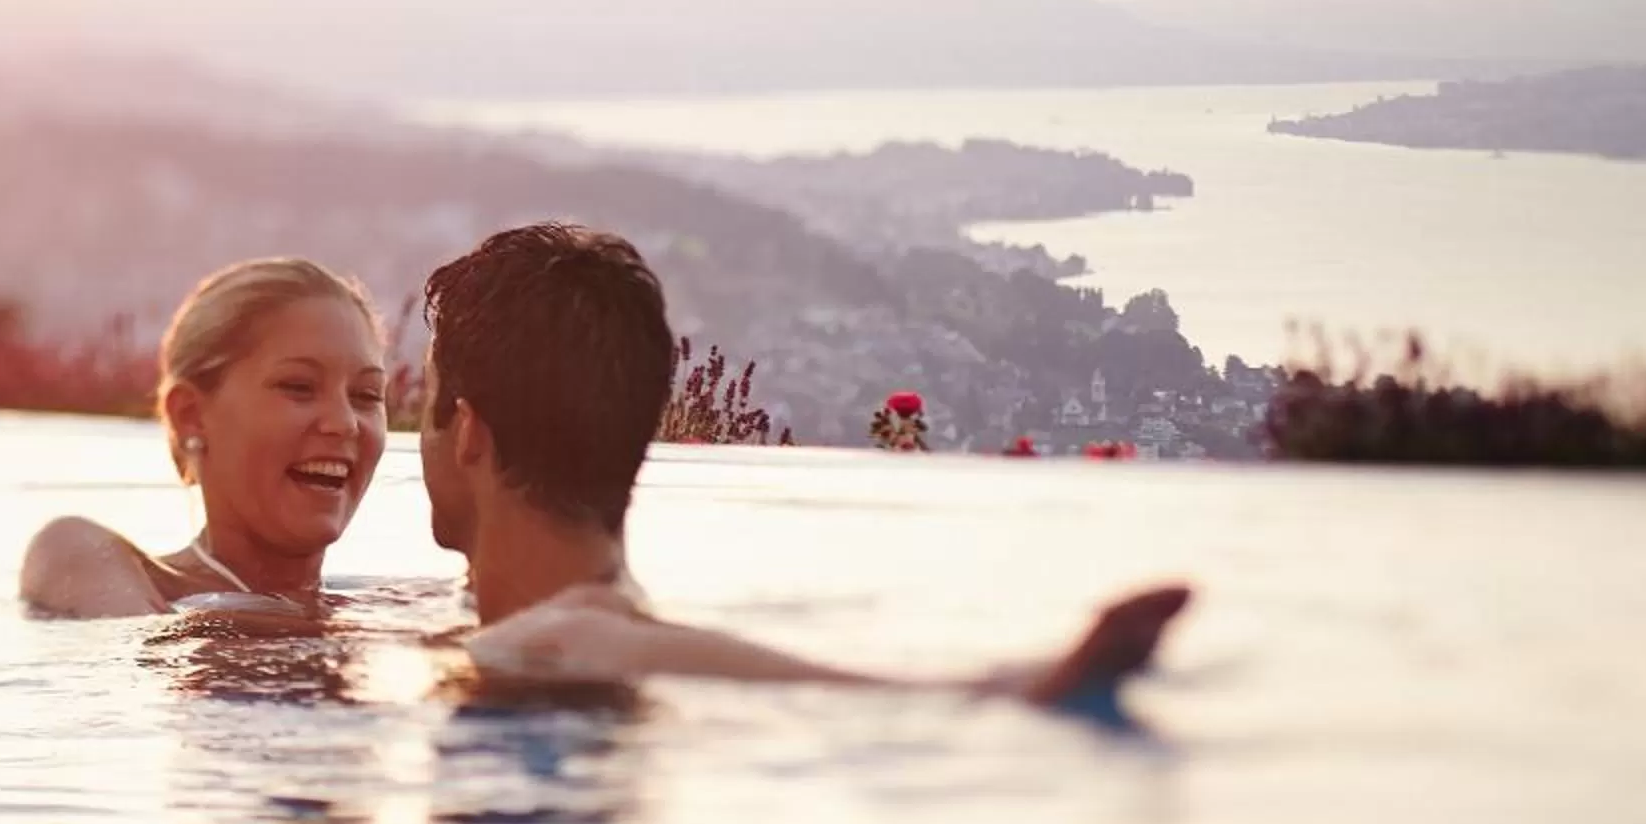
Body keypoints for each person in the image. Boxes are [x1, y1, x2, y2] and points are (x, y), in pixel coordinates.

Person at [417, 223, 1190, 705]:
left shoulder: (557, 641)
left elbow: (606, 647)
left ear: (470, 435)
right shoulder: (575, 614)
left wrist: (1005, 690)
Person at [21, 257, 389, 618]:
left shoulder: (389, 605)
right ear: (190, 416)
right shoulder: (87, 560)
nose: (345, 423)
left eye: (367, 395)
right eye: (299, 386)